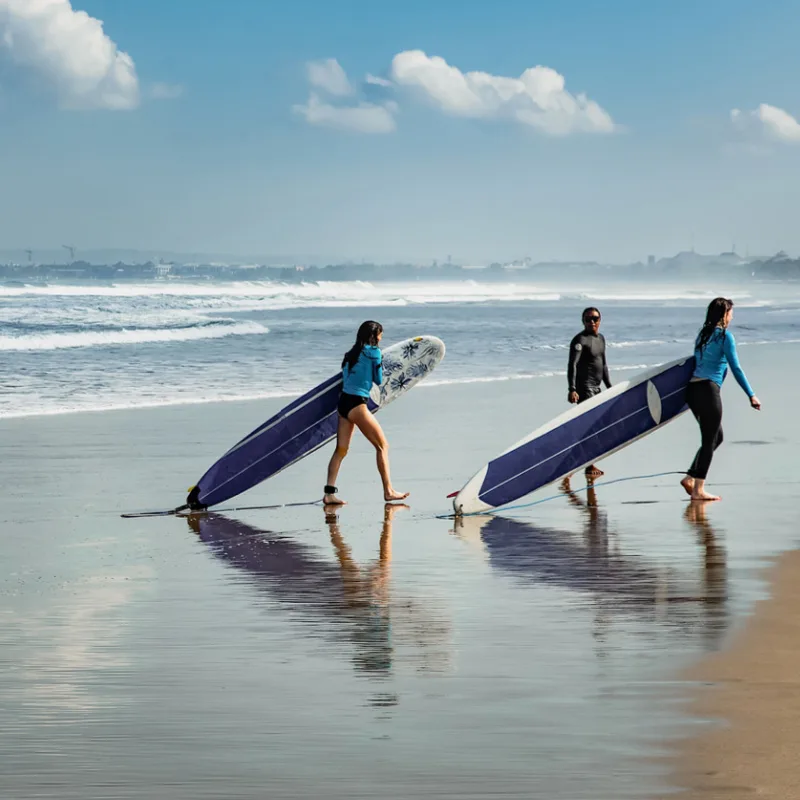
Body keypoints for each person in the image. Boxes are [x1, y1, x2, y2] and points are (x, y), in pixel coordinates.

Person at [680, 298, 761, 502]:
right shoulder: (725, 337)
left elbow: (696, 363)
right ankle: (698, 489)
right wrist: (751, 394)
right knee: (709, 441)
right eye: (731, 312)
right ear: (724, 314)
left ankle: (690, 477)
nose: (732, 316)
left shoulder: (702, 335)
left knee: (717, 437)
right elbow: (736, 368)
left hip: (693, 390)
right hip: (708, 390)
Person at [323, 321, 409, 506]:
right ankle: (388, 491)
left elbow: (348, 378)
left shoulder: (349, 355)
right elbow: (378, 380)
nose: (381, 338)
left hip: (343, 405)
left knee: (341, 450)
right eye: (380, 335)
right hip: (357, 405)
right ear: (374, 335)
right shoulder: (373, 353)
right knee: (382, 446)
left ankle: (329, 493)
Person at [567, 307, 612, 477]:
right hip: (585, 388)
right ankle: (585, 465)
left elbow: (604, 364)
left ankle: (580, 463)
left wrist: (610, 387)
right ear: (583, 321)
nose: (592, 322)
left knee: (594, 427)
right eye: (588, 319)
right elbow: (572, 365)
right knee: (590, 427)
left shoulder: (601, 339)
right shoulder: (580, 340)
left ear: (600, 320)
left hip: (597, 387)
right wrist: (572, 389)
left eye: (595, 318)